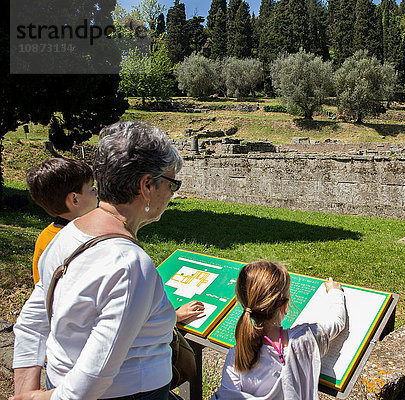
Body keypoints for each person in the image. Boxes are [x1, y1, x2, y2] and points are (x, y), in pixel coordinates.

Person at [11, 121, 203, 400]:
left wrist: (26, 389)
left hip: (61, 378)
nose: (173, 194)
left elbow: (33, 319)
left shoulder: (66, 235)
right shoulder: (128, 264)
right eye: (172, 184)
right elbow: (95, 374)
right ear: (147, 186)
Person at [211, 261, 347, 400]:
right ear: (285, 305)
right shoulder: (306, 338)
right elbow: (337, 322)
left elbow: (227, 395)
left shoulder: (236, 355)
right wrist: (335, 292)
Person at [25, 158, 98, 285]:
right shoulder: (79, 241)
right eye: (92, 189)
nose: (96, 193)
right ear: (75, 199)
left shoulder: (46, 237)